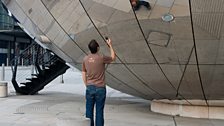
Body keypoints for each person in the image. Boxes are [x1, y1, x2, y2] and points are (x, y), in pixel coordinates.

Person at [82, 38, 116, 126]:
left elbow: (83, 73)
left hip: (90, 87)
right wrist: (110, 45)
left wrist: (87, 84)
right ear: (98, 48)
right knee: (99, 112)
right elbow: (113, 57)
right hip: (100, 88)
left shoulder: (85, 59)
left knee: (89, 111)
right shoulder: (101, 58)